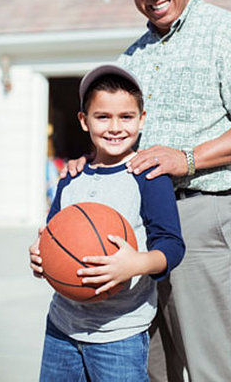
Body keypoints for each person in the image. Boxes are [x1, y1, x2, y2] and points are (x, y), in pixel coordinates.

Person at [65, 0, 231, 382]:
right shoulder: (134, 57)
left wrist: (185, 158)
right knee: (150, 365)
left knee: (212, 364)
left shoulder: (230, 34)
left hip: (204, 214)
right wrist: (86, 161)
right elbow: (120, 127)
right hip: (142, 222)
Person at [29, 64, 185, 382]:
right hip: (61, 327)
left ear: (142, 120)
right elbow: (54, 232)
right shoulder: (71, 177)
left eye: (126, 117)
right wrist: (40, 252)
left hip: (120, 333)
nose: (115, 127)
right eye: (103, 117)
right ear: (84, 121)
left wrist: (135, 263)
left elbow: (172, 244)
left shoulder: (149, 175)